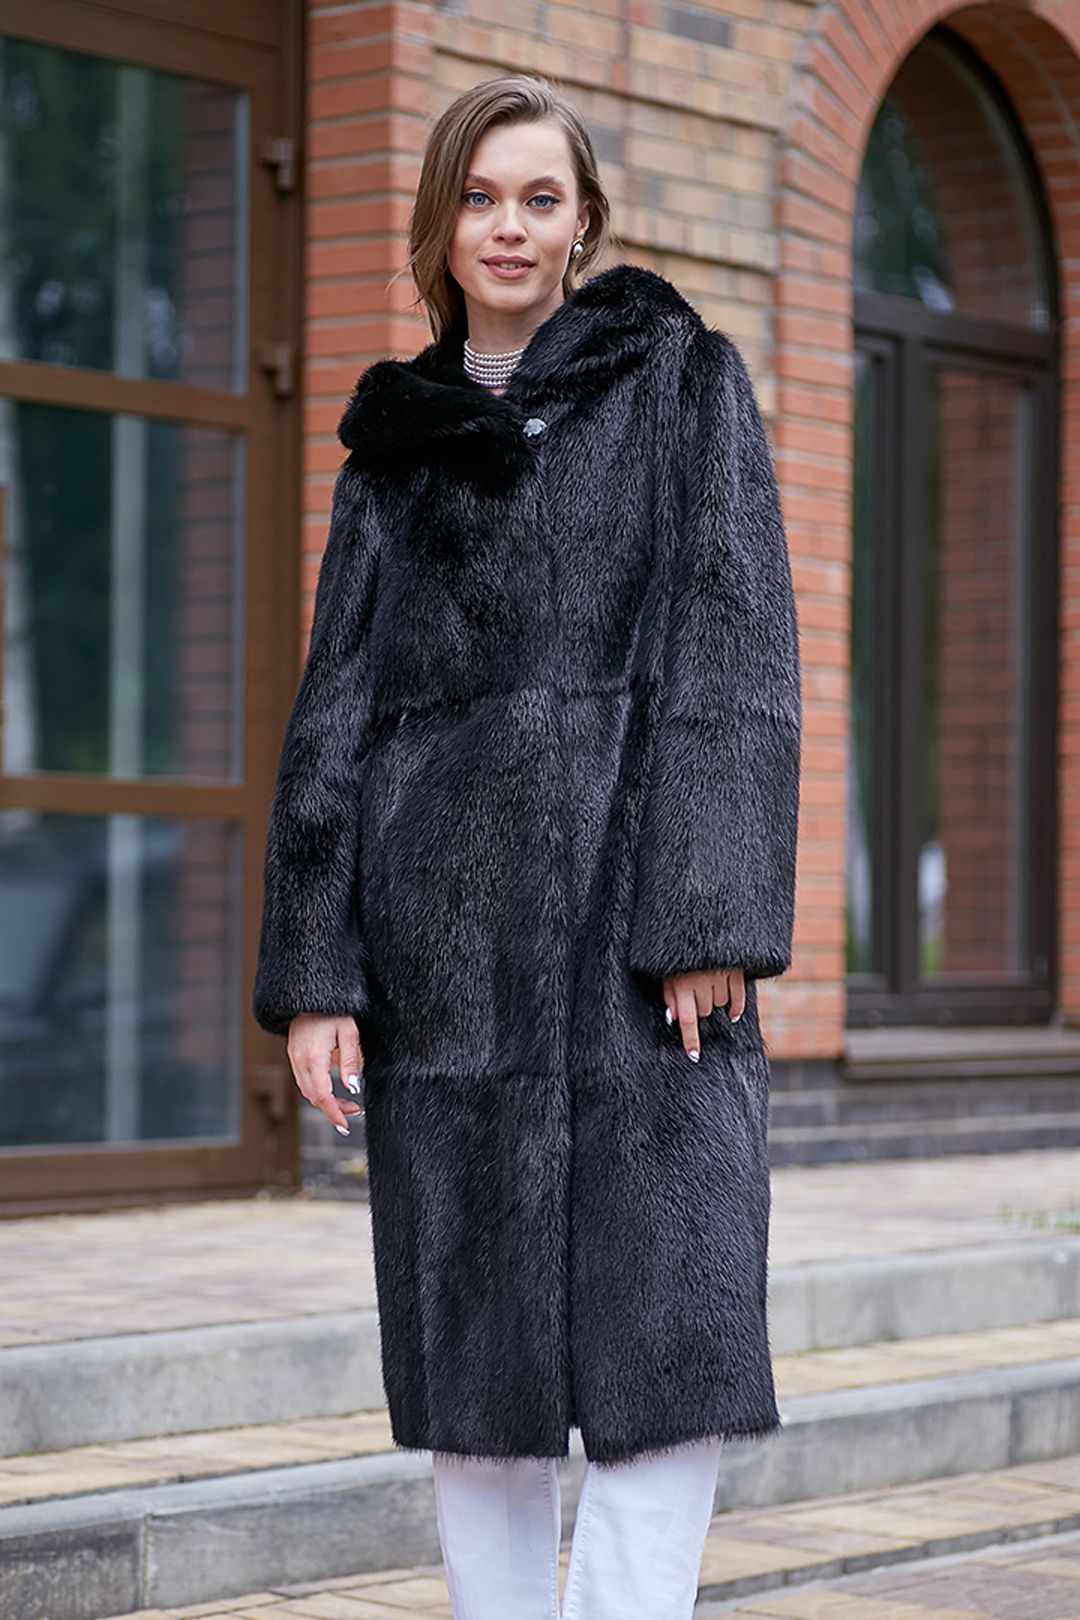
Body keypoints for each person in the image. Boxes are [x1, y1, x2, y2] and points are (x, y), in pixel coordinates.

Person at [252, 72, 802, 1620]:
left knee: (668, 1348)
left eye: (539, 198)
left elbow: (737, 656)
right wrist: (317, 974)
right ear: (440, 224)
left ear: (582, 223)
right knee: (477, 1382)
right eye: (481, 197)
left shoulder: (682, 388)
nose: (509, 226)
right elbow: (333, 717)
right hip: (449, 968)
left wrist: (708, 915)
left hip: (641, 953)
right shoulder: (393, 451)